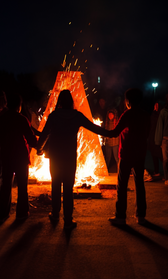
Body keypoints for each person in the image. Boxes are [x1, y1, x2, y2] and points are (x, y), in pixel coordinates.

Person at [37, 89, 107, 230]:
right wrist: (111, 133)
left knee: (56, 184)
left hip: (56, 156)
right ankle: (68, 220)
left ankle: (55, 214)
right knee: (68, 188)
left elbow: (44, 134)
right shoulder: (77, 116)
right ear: (71, 101)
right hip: (69, 157)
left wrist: (39, 148)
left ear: (60, 101)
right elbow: (94, 128)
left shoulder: (54, 116)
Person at [104, 88, 150, 225]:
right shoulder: (145, 115)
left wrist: (98, 130)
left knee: (122, 186)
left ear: (128, 101)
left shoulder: (127, 115)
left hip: (126, 155)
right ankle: (140, 216)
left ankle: (120, 217)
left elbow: (114, 133)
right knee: (139, 184)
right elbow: (147, 133)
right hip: (140, 154)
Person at [0, 93, 38, 222]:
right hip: (20, 156)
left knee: (6, 184)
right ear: (19, 105)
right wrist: (40, 147)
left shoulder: (2, 118)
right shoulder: (21, 119)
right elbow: (31, 139)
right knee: (22, 185)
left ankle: (2, 214)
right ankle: (21, 213)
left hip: (6, 155)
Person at [147, 102, 163, 176]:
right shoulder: (153, 114)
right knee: (153, 154)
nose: (155, 106)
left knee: (160, 155)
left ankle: (167, 172)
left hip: (158, 136)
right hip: (152, 136)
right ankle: (156, 171)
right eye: (155, 105)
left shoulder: (160, 115)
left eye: (157, 105)